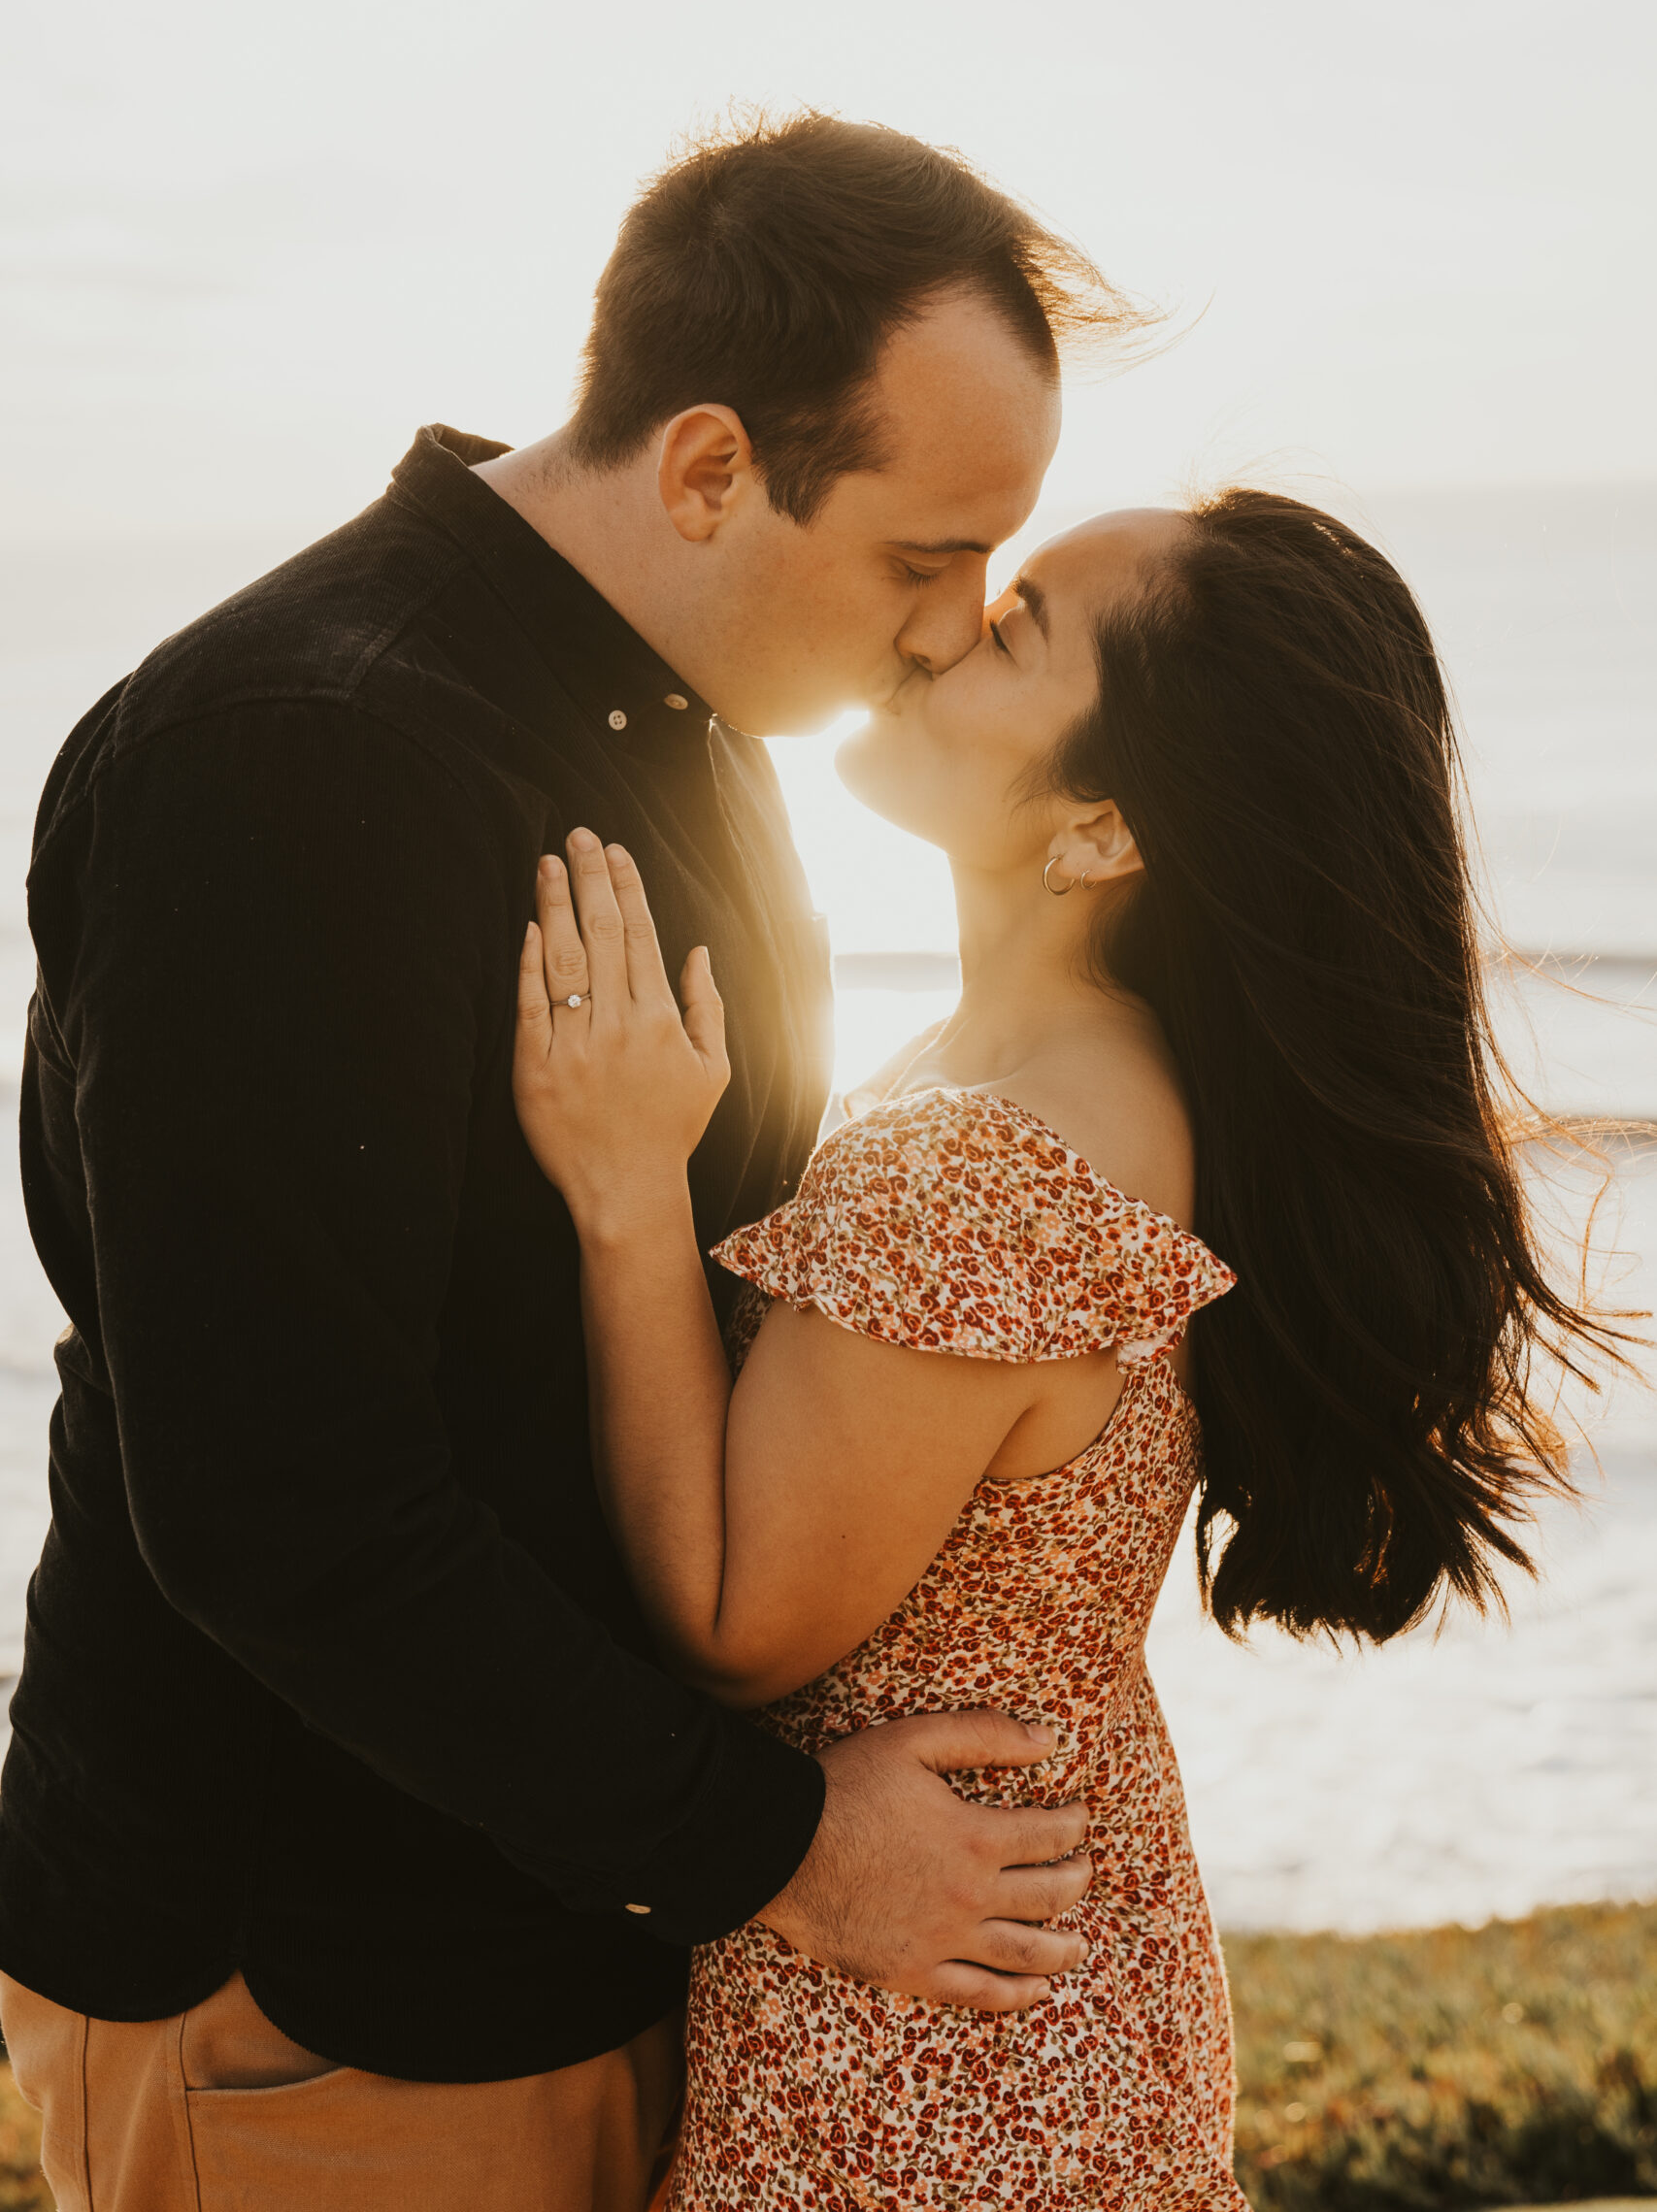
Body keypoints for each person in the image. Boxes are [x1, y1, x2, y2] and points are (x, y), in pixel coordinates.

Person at [0, 114, 1142, 2212]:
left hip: (576, 1930)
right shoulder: (295, 755)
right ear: (706, 466)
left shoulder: (678, 708)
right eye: (917, 555)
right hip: (325, 1999)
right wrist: (789, 1849)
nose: (946, 627)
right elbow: (278, 1510)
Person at [512, 490, 1619, 2207]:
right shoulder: (1094, 1077)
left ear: (1099, 828)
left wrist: (623, 1187)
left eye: (1014, 624)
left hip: (928, 2056)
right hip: (1044, 1993)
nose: (941, 624)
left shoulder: (993, 1154)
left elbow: (732, 1616)